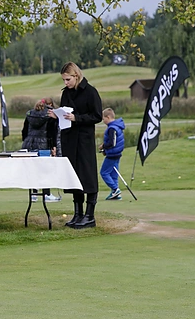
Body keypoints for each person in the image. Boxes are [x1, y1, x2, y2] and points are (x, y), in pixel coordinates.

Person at [50, 62, 102, 229]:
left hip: (84, 140)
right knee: (74, 177)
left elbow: (97, 116)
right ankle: (78, 213)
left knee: (88, 175)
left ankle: (90, 215)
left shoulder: (90, 92)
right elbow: (65, 112)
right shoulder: (66, 94)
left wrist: (77, 118)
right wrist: (57, 115)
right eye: (64, 80)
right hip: (69, 139)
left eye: (68, 79)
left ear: (76, 76)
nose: (65, 83)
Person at [21, 97, 60, 202]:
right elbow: (52, 133)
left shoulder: (29, 114)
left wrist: (26, 142)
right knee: (45, 169)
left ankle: (34, 194)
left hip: (29, 144)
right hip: (44, 145)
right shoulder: (50, 115)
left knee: (33, 169)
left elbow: (24, 131)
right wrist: (53, 147)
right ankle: (46, 194)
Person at [99, 108, 125, 201]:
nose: (103, 121)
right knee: (113, 174)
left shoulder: (112, 128)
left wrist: (103, 146)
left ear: (108, 117)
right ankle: (115, 194)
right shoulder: (118, 126)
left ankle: (115, 189)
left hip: (113, 154)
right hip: (117, 153)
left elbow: (112, 143)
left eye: (103, 119)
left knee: (104, 172)